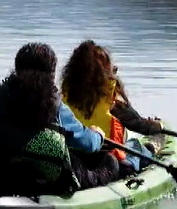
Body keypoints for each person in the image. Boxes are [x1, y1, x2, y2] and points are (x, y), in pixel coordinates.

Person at [0, 42, 125, 193]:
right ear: (51, 74)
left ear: (17, 69)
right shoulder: (55, 105)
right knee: (110, 162)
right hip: (44, 186)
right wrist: (98, 136)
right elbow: (87, 143)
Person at [60, 40, 163, 178]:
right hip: (109, 161)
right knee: (136, 146)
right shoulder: (111, 99)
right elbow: (138, 124)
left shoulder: (63, 95)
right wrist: (157, 126)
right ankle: (150, 150)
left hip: (74, 158)